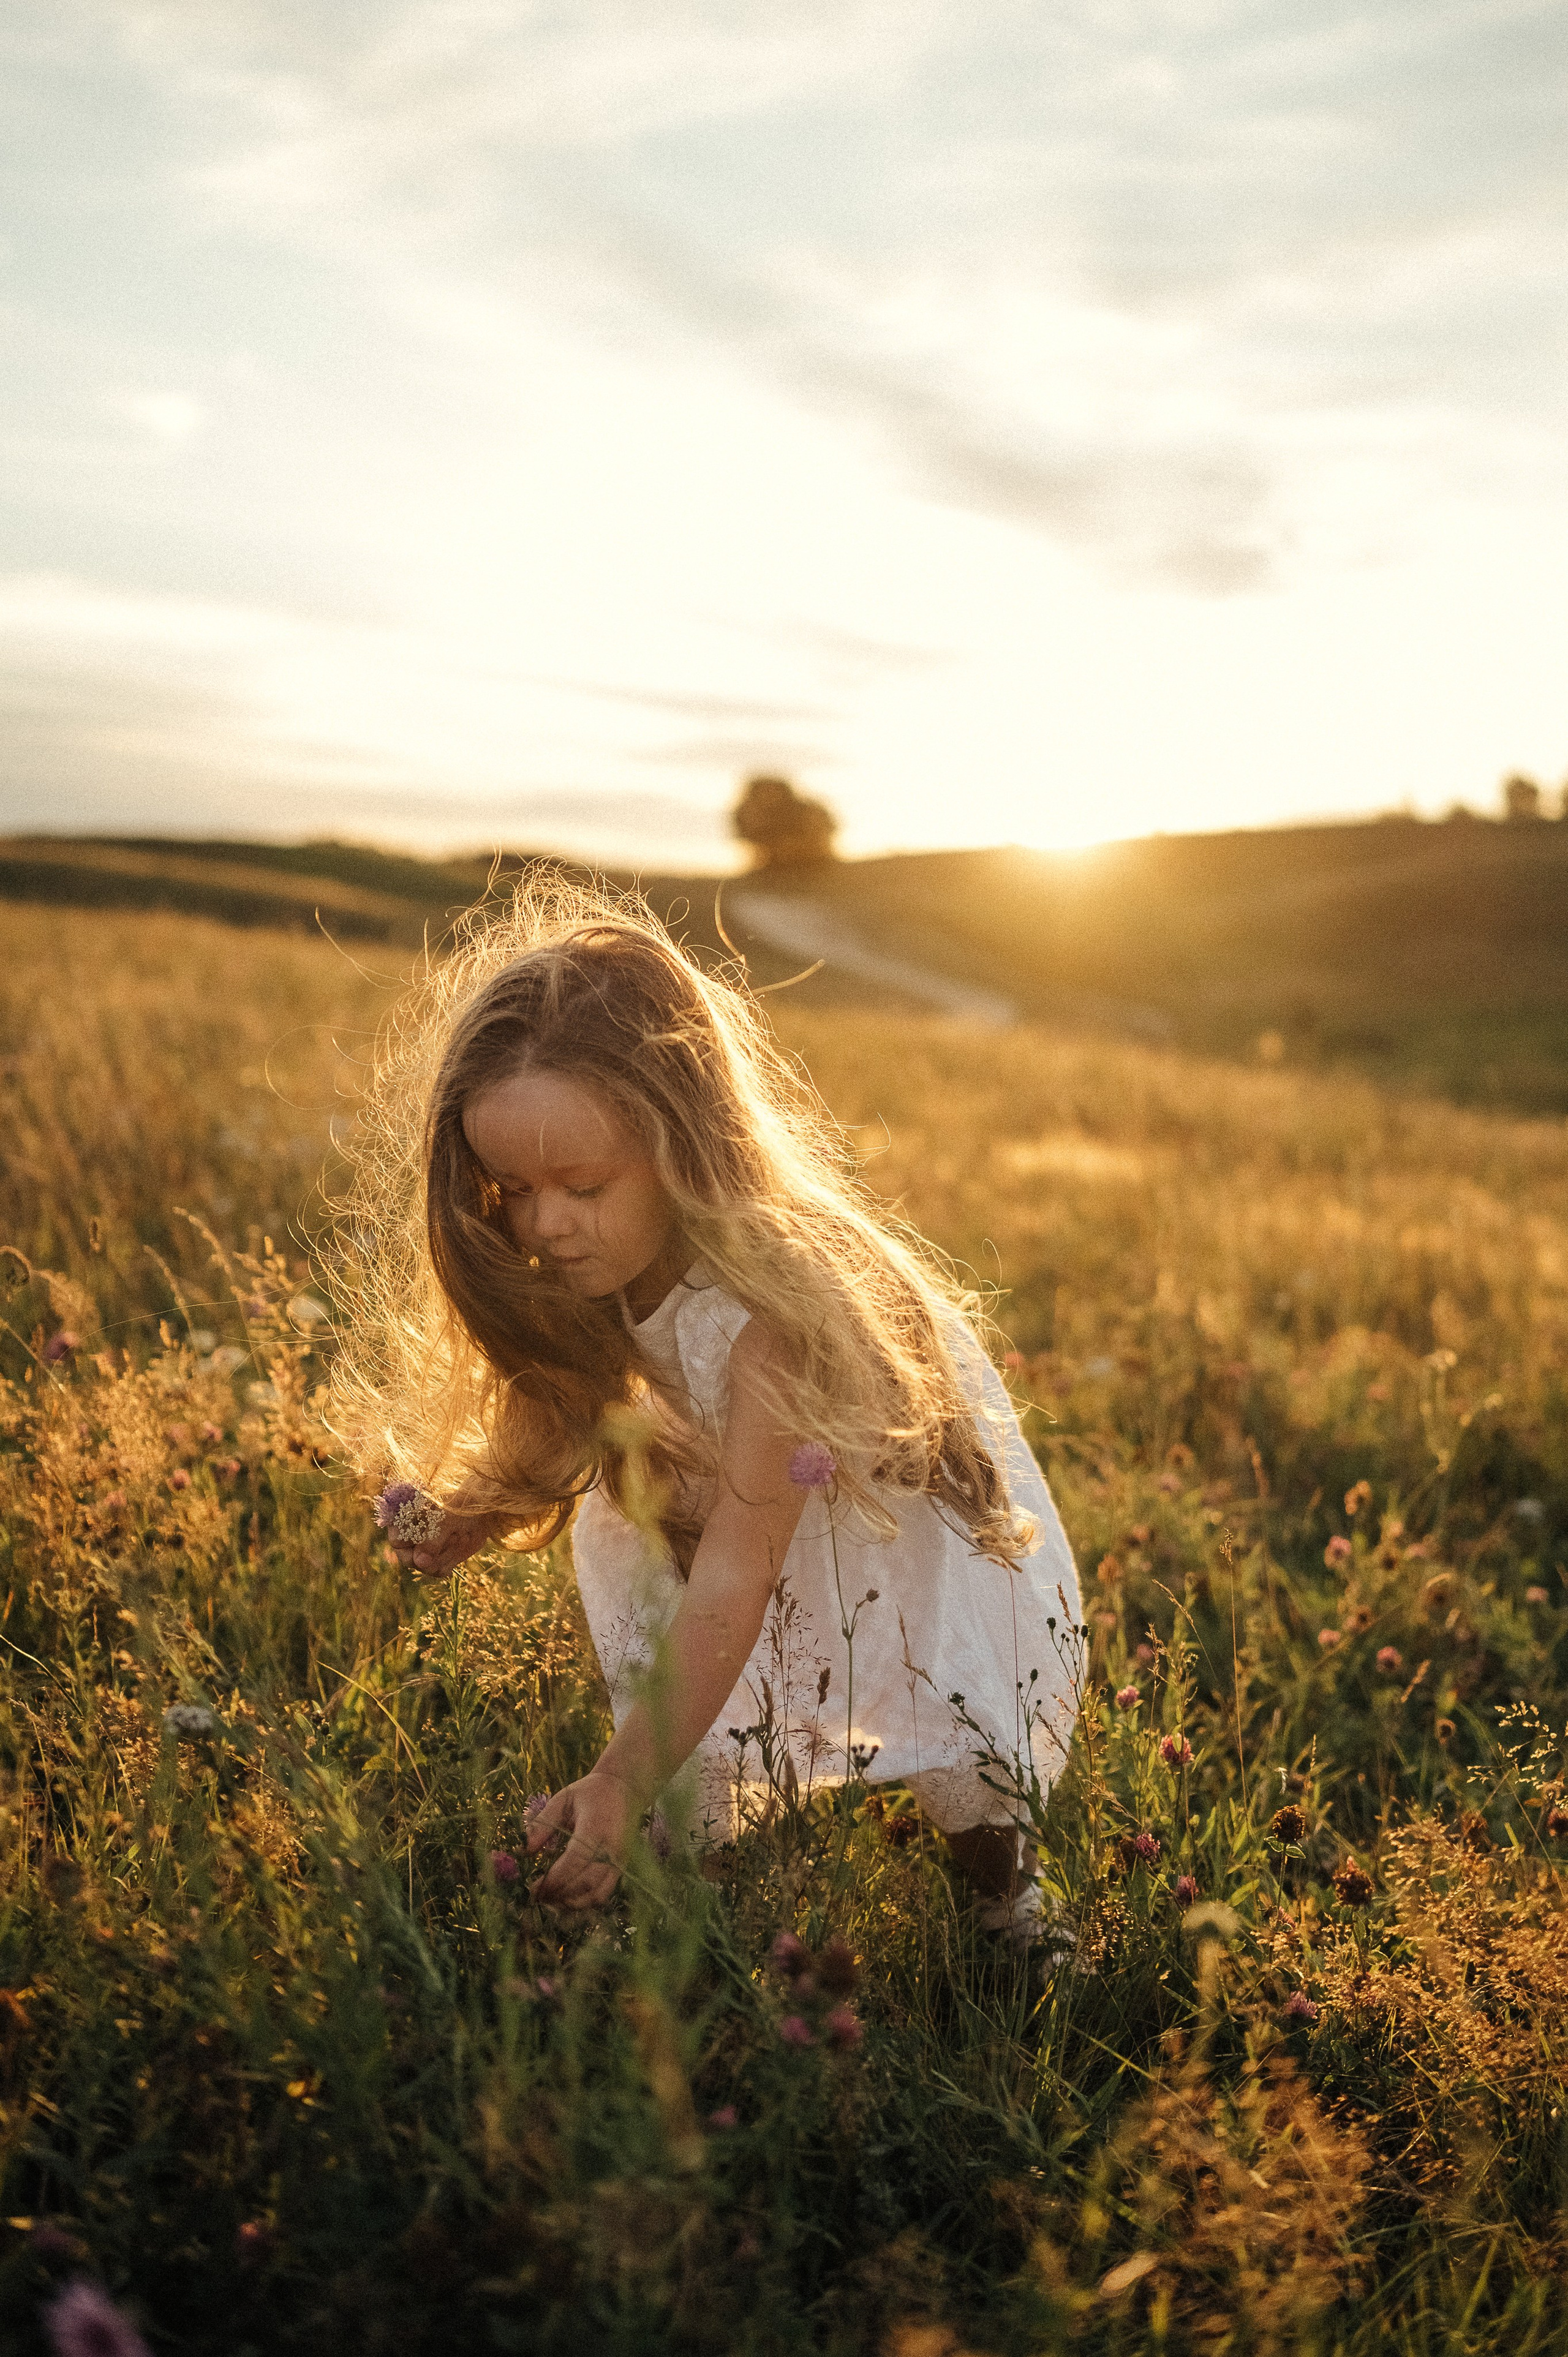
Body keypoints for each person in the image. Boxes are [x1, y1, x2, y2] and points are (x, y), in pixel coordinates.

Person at [334, 877, 1082, 1936]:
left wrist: (618, 1776)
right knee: (704, 1732)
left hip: (871, 1528)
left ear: (680, 1148)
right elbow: (570, 1415)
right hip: (724, 1509)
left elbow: (739, 1573)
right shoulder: (580, 1266)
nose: (545, 1223)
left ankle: (1013, 1913)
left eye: (582, 1187)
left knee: (953, 1751)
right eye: (510, 1187)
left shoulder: (772, 1319)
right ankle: (692, 1914)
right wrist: (473, 1516)